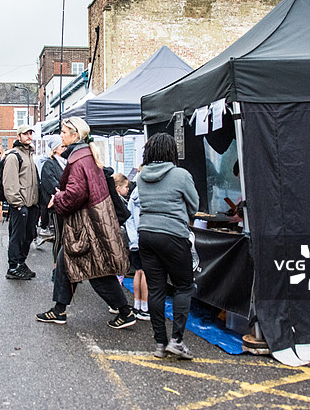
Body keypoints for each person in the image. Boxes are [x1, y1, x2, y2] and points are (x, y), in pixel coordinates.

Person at [35, 117, 135, 329]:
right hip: (93, 222)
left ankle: (125, 312)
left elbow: (76, 194)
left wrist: (58, 199)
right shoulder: (86, 156)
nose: (61, 135)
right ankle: (59, 310)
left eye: (64, 132)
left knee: (96, 272)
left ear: (75, 135)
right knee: (65, 262)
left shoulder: (79, 160)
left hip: (87, 225)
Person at [137, 133, 199, 359]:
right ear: (171, 152)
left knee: (156, 289)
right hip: (173, 234)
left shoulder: (142, 175)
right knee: (183, 286)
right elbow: (194, 205)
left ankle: (160, 344)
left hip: (146, 234)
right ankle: (177, 341)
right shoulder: (181, 175)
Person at [2, 124, 39, 280]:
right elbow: (9, 183)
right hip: (20, 205)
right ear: (18, 136)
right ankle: (13, 266)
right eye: (25, 133)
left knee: (29, 235)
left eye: (30, 133)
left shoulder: (29, 155)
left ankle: (21, 263)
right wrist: (17, 204)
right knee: (17, 237)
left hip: (31, 205)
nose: (29, 136)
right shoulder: (14, 156)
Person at [122, 177, 150, 321]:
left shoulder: (134, 194)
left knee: (138, 271)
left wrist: (132, 238)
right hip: (145, 238)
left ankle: (137, 304)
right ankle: (145, 308)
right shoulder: (149, 193)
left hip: (134, 238)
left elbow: (129, 217)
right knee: (145, 272)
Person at [38, 135, 65, 251]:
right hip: (56, 206)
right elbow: (52, 185)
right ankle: (56, 265)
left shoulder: (66, 163)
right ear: (55, 149)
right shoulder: (49, 164)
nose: (65, 149)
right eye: (62, 146)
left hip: (66, 204)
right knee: (59, 238)